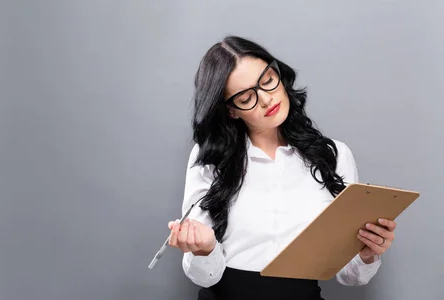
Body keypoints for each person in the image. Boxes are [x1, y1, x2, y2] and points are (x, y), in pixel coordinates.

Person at [167, 36, 397, 300]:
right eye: (246, 97)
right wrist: (203, 249)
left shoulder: (334, 155)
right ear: (231, 111)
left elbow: (350, 276)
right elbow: (201, 275)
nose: (266, 99)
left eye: (267, 81)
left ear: (278, 74)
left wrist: (367, 254)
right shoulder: (210, 160)